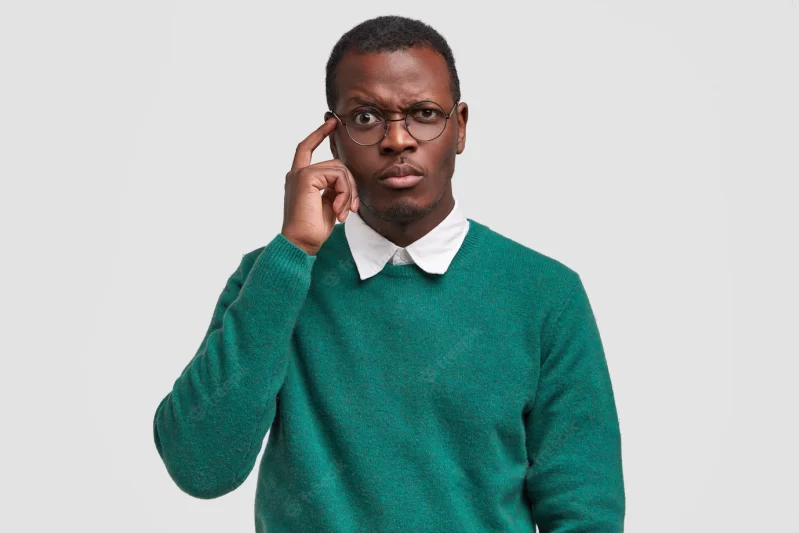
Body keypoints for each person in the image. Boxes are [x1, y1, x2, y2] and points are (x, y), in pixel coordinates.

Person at [153, 15, 625, 533]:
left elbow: (585, 513)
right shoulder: (274, 278)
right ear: (332, 137)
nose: (397, 140)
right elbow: (201, 467)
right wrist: (294, 250)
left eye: (424, 114)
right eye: (366, 117)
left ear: (460, 126)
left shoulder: (544, 294)